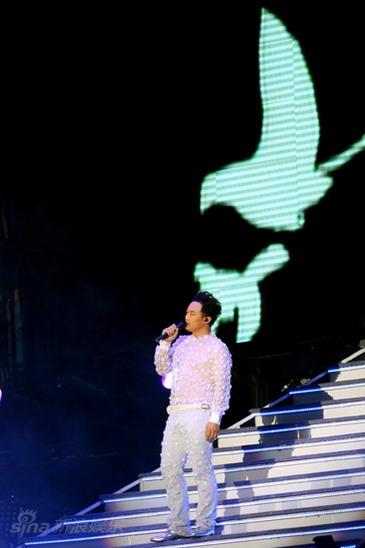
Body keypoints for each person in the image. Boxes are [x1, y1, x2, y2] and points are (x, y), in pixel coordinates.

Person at [151, 291, 232, 542]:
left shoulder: (218, 348)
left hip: (200, 412)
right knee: (169, 468)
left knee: (201, 470)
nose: (186, 317)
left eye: (192, 313)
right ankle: (178, 525)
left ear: (206, 319)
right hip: (175, 413)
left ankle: (205, 523)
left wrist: (215, 418)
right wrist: (165, 343)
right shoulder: (181, 344)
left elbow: (222, 384)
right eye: (186, 312)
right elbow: (162, 370)